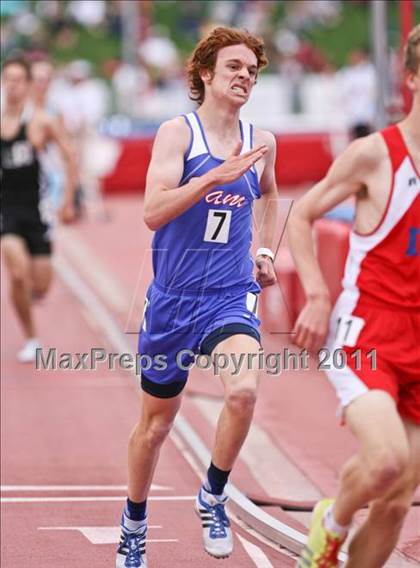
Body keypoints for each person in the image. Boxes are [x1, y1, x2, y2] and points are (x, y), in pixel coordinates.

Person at [116, 26, 278, 568]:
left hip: (230, 296)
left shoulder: (262, 140)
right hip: (172, 301)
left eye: (253, 71)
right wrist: (214, 178)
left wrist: (264, 252)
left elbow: (270, 194)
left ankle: (213, 494)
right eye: (234, 67)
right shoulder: (177, 135)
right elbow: (152, 212)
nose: (245, 77)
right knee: (156, 426)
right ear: (205, 73)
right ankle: (134, 522)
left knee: (244, 392)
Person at [288, 25, 420, 568]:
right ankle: (332, 524)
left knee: (393, 503)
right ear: (412, 79)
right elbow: (302, 213)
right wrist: (316, 293)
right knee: (386, 460)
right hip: (368, 329)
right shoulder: (376, 155)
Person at [0, 56, 76, 363]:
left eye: (18, 79)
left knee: (41, 285)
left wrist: (68, 199)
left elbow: (69, 156)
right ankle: (31, 336)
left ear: (29, 85)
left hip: (37, 210)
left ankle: (31, 293)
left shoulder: (41, 121)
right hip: (7, 209)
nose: (12, 85)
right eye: (8, 79)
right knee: (17, 273)